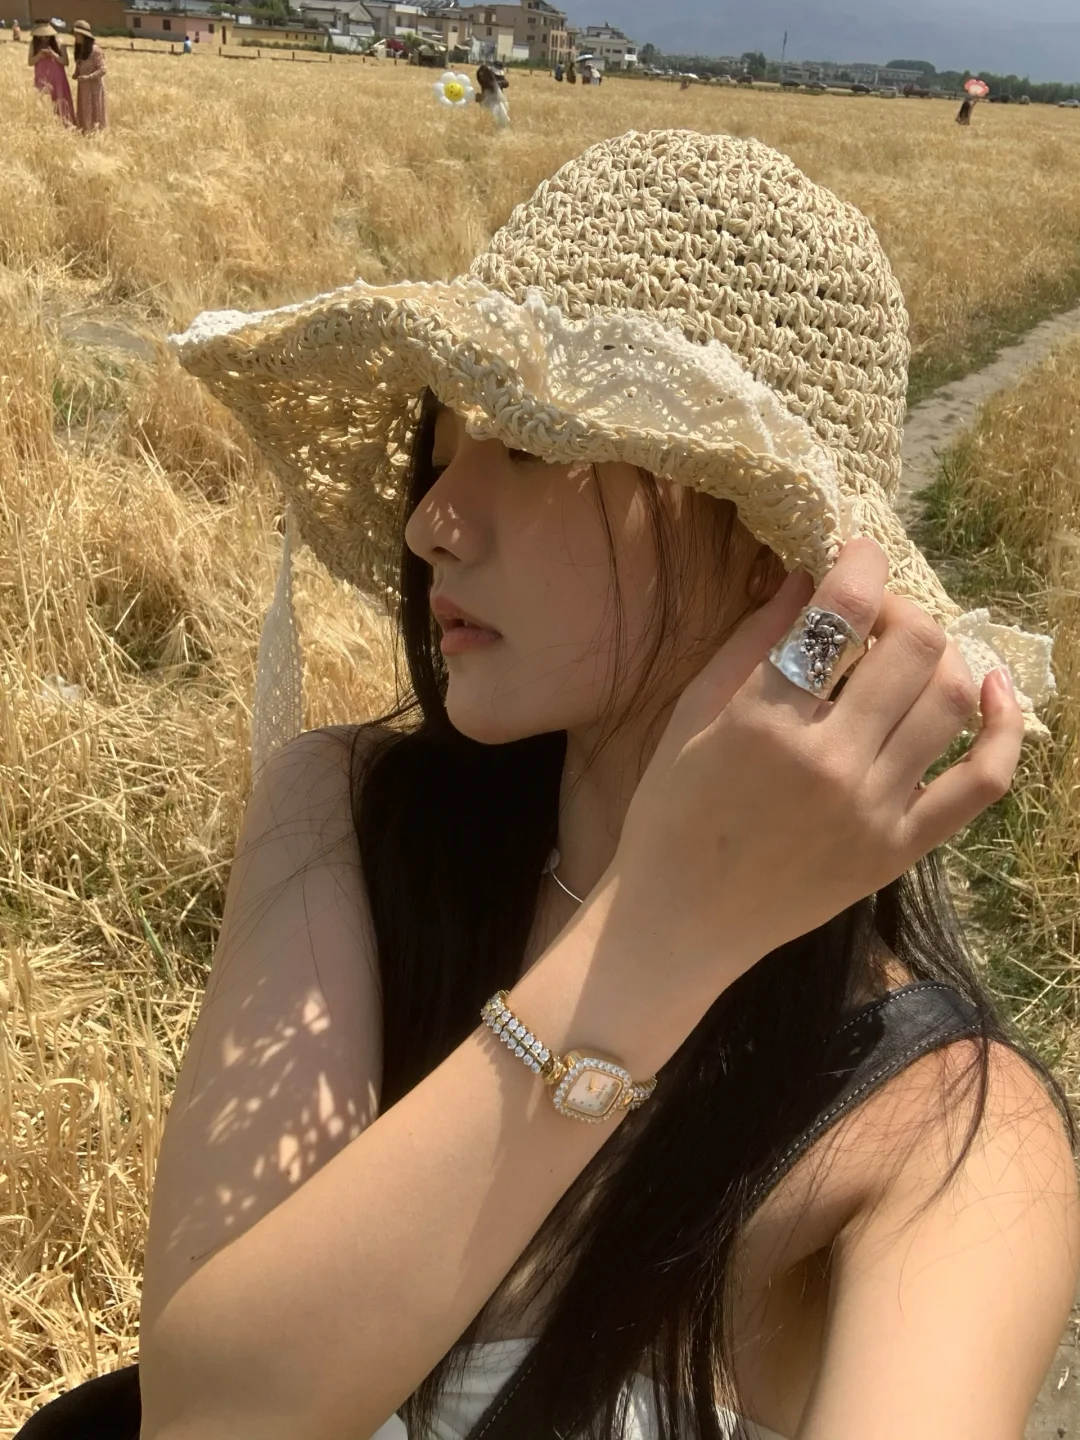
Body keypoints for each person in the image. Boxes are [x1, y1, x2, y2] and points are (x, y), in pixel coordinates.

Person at [14, 130, 1078, 1440]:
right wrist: (657, 938)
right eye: (442, 443)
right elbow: (210, 1417)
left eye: (522, 445)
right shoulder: (349, 820)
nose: (430, 521)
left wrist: (664, 925)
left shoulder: (951, 1139)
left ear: (772, 554)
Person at [28, 22, 74, 125]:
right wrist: (39, 55)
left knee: (60, 101)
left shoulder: (59, 43)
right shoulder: (33, 44)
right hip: (42, 78)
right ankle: (46, 125)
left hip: (58, 78)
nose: (44, 39)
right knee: (44, 101)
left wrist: (54, 54)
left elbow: (65, 62)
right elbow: (30, 62)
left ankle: (64, 124)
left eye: (47, 36)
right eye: (41, 36)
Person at [72, 20, 106, 132]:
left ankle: (96, 135)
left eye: (77, 34)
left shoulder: (95, 50)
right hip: (83, 87)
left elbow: (102, 69)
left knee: (95, 111)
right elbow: (80, 66)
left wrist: (89, 77)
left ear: (84, 36)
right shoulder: (80, 50)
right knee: (84, 111)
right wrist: (76, 73)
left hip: (94, 88)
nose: (75, 37)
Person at [475, 61, 510, 128]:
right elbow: (485, 84)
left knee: (504, 117)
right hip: (489, 100)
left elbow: (506, 83)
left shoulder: (500, 76)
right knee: (493, 117)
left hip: (498, 99)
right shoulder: (486, 75)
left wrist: (498, 83)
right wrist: (494, 84)